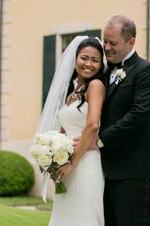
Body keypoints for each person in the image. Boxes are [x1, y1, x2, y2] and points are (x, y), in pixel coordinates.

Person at [98, 15, 150, 226]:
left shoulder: (147, 72)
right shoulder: (102, 72)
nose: (106, 48)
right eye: (104, 41)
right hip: (101, 171)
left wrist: (99, 140)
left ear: (131, 41)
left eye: (113, 43)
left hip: (132, 173)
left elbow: (139, 116)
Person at [36, 36, 106, 226]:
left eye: (95, 60)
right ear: (75, 58)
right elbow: (63, 129)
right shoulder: (72, 91)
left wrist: (72, 163)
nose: (89, 64)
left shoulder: (95, 86)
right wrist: (54, 158)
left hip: (85, 163)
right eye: (84, 58)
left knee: (84, 217)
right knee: (65, 216)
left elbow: (92, 125)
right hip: (67, 165)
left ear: (101, 64)